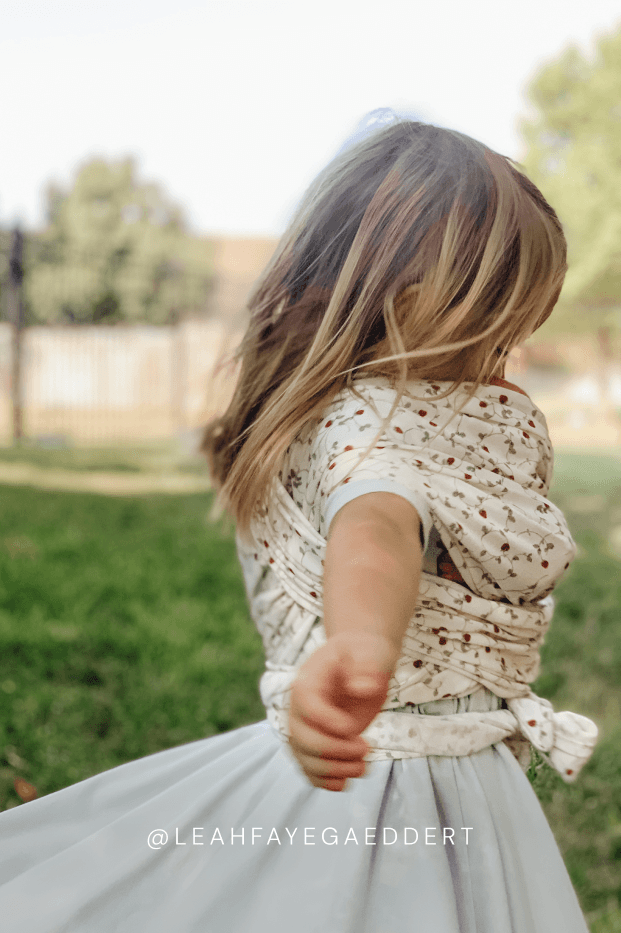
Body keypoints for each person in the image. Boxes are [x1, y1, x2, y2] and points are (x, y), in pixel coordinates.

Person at [0, 109, 599, 933]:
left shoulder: (447, 409)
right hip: (395, 781)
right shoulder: (369, 423)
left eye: (516, 324)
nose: (504, 353)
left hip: (452, 769)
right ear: (393, 299)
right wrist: (360, 645)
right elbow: (376, 527)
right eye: (487, 319)